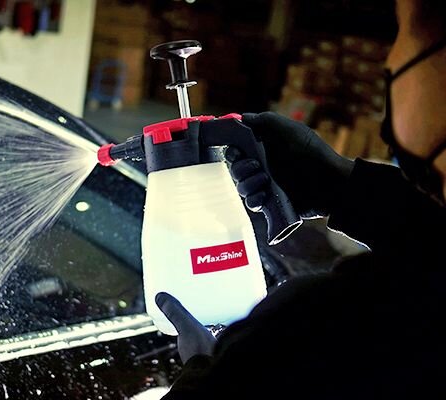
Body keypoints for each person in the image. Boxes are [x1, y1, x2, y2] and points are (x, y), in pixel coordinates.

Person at [156, 1, 446, 398]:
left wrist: (207, 378)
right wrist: (344, 186)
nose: (390, 62)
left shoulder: (325, 331)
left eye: (400, 34)